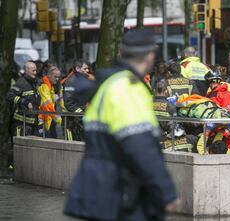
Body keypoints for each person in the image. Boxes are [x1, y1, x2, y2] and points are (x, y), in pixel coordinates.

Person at [64, 29, 178, 221]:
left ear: (122, 53)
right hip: (122, 191)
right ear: (150, 56)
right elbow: (140, 146)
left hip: (97, 188)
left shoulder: (106, 84)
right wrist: (166, 192)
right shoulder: (128, 88)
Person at [7, 61, 41, 137]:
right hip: (21, 124)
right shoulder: (21, 83)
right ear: (26, 71)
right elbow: (10, 96)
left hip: (35, 124)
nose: (35, 73)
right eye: (33, 71)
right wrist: (25, 102)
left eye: (36, 70)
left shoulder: (37, 82)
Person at [62, 59, 92, 141]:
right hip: (72, 122)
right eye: (85, 68)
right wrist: (82, 114)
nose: (88, 70)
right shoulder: (70, 81)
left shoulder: (83, 80)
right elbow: (69, 103)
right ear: (77, 69)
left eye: (88, 68)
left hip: (80, 120)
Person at [38, 65, 64, 138]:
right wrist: (57, 118)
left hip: (50, 119)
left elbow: (61, 102)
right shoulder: (44, 86)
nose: (57, 79)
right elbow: (48, 104)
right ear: (49, 75)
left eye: (58, 77)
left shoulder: (55, 86)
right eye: (55, 77)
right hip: (43, 119)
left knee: (53, 139)